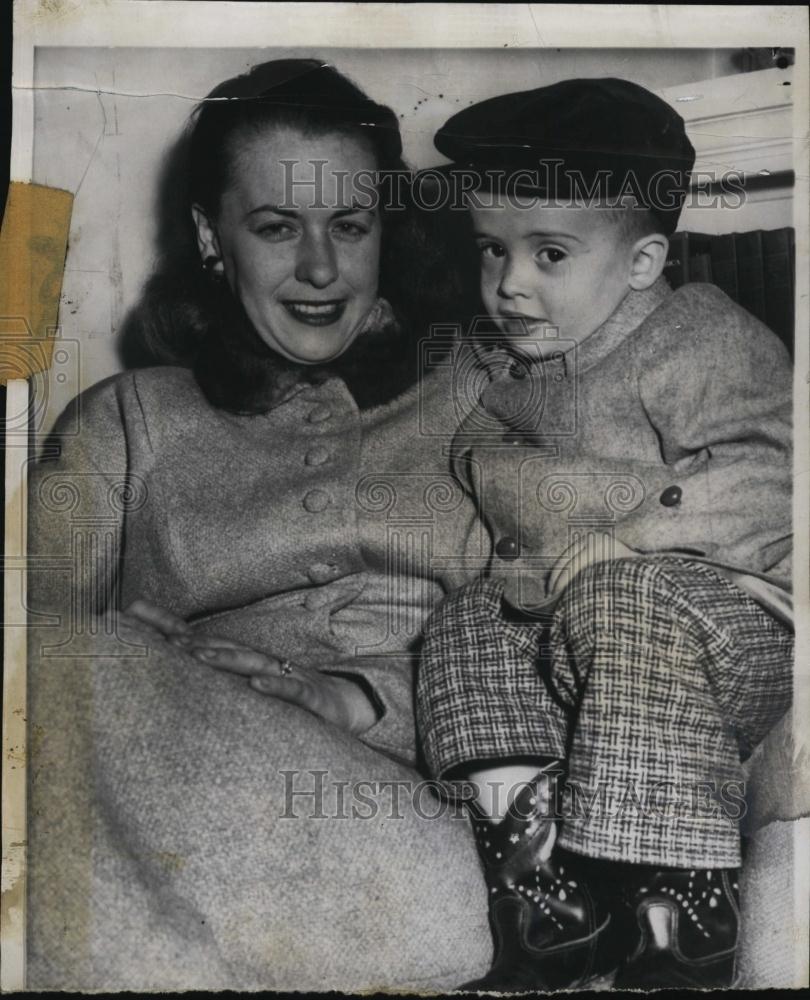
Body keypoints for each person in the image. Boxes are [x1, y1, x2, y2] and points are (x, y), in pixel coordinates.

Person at [26, 59, 492, 991]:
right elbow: (25, 628)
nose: (320, 270)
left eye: (349, 226)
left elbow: (559, 632)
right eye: (277, 227)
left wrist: (354, 701)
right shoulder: (130, 417)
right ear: (211, 236)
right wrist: (112, 644)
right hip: (182, 793)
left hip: (412, 832)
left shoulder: (483, 398)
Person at [415, 77, 793, 991]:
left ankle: (680, 915)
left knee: (622, 595)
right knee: (466, 624)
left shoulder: (696, 332)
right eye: (492, 250)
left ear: (641, 260)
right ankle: (547, 902)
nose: (510, 283)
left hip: (728, 638)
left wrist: (632, 539)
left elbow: (778, 469)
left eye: (550, 253)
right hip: (579, 649)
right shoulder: (504, 370)